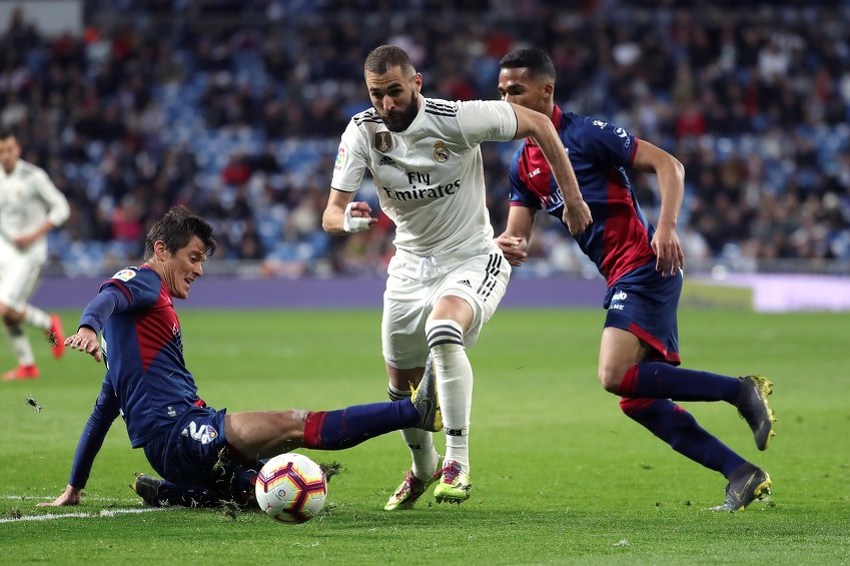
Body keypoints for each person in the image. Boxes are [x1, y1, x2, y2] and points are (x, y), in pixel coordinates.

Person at [494, 48, 775, 512]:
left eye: (516, 90)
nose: (506, 99)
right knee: (636, 398)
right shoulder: (522, 165)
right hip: (619, 273)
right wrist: (506, 245)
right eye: (502, 91)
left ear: (546, 90)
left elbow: (670, 166)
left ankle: (740, 390)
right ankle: (741, 472)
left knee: (613, 374)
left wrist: (666, 227)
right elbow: (516, 237)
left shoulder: (585, 134)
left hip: (646, 263)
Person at [322, 45, 592, 508]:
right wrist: (350, 221)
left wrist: (573, 198)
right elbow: (330, 213)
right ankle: (423, 466)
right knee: (401, 387)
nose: (386, 104)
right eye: (376, 94)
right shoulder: (363, 131)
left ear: (417, 83)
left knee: (443, 330)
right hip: (409, 267)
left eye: (395, 91)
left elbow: (542, 124)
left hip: (471, 256)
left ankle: (458, 462)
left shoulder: (458, 119)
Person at [39, 206, 441, 509]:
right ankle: (413, 411)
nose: (198, 270)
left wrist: (75, 486)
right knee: (293, 425)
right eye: (193, 257)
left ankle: (174, 493)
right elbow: (109, 294)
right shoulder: (144, 281)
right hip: (183, 433)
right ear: (161, 250)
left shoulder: (129, 347)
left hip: (173, 447)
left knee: (256, 492)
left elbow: (102, 413)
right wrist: (88, 327)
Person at [0, 127, 69, 381]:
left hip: (30, 254)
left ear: (17, 150)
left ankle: (49, 324)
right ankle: (27, 365)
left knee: (5, 307)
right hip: (5, 254)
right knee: (9, 312)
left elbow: (62, 208)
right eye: (1, 152)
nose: (5, 156)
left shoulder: (34, 177)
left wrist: (35, 233)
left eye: (9, 150)